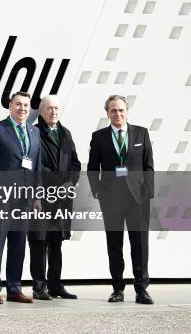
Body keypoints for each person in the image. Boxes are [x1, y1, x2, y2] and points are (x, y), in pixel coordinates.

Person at [87, 95, 154, 304]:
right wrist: (98, 191)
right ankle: (117, 288)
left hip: (138, 198)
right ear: (107, 113)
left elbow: (148, 164)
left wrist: (148, 191)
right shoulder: (99, 137)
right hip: (112, 199)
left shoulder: (141, 133)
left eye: (121, 110)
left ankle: (142, 289)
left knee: (140, 245)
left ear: (127, 111)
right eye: (113, 110)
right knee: (114, 245)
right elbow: (92, 168)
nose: (118, 114)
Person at [0, 91, 42, 304]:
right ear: (10, 106)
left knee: (18, 244)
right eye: (18, 104)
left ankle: (15, 288)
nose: (22, 109)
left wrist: (36, 196)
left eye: (26, 105)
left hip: (24, 199)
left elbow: (37, 167)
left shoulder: (35, 132)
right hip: (2, 198)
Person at [28, 95, 80, 300]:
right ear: (41, 111)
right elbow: (37, 165)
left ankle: (56, 284)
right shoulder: (34, 132)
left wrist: (70, 183)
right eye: (49, 108)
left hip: (63, 198)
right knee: (39, 242)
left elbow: (75, 163)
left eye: (56, 108)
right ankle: (39, 286)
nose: (53, 112)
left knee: (56, 242)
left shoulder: (65, 133)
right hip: (42, 196)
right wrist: (60, 184)